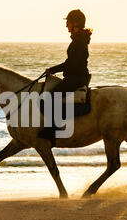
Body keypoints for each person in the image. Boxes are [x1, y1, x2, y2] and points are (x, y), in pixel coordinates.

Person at [38, 9, 93, 145]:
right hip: (75, 78)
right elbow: (70, 63)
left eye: (67, 22)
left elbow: (71, 64)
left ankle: (53, 129)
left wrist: (52, 69)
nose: (66, 25)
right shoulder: (79, 40)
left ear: (75, 23)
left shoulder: (78, 42)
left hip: (76, 79)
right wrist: (53, 70)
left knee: (50, 97)